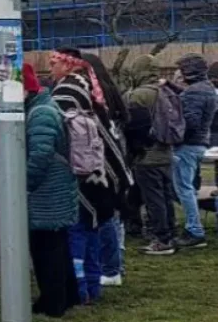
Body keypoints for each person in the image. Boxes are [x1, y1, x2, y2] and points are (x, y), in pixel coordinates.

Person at [50, 48, 128, 304]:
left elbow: (60, 134)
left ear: (68, 64)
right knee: (93, 226)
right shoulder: (89, 85)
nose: (50, 68)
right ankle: (94, 283)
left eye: (54, 63)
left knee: (77, 229)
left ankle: (80, 286)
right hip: (99, 170)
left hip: (81, 170)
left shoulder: (67, 91)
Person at [22, 64, 80, 318]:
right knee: (56, 245)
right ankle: (66, 296)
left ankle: (53, 302)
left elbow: (40, 155)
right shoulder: (43, 107)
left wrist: (23, 184)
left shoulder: (40, 113)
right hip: (55, 188)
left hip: (48, 190)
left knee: (46, 248)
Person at [82, 53, 131, 285]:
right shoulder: (111, 91)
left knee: (105, 215)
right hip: (116, 157)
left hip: (102, 160)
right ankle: (115, 263)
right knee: (113, 214)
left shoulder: (95, 96)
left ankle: (111, 267)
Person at [123, 55, 178, 256]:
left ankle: (161, 239)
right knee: (165, 197)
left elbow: (130, 127)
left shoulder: (138, 95)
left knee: (153, 199)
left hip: (146, 155)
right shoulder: (166, 91)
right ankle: (170, 233)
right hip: (166, 152)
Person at [171, 54, 216, 249]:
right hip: (201, 143)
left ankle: (194, 230)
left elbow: (190, 121)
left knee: (184, 189)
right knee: (189, 187)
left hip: (187, 145)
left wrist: (174, 137)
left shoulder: (192, 93)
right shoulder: (208, 90)